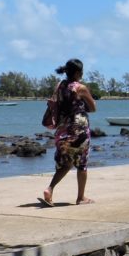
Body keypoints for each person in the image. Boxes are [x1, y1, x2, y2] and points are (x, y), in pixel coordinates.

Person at [40, 58, 96, 206]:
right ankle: (81, 197)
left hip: (62, 128)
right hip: (79, 129)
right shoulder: (80, 88)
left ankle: (50, 188)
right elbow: (93, 107)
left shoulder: (60, 85)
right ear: (78, 72)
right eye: (81, 71)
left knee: (66, 162)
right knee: (82, 163)